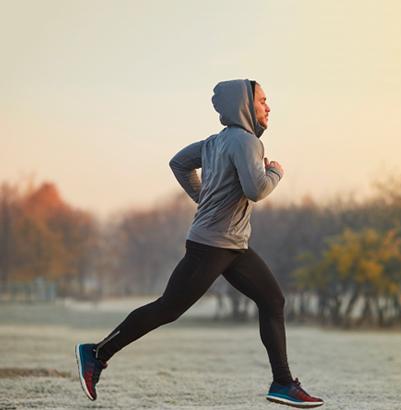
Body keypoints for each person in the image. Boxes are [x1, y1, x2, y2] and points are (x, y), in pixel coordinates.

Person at [75, 79, 324, 408]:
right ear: (245, 105)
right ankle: (96, 354)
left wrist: (202, 197)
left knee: (273, 301)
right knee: (169, 308)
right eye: (263, 100)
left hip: (233, 246)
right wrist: (275, 172)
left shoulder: (216, 142)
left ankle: (282, 383)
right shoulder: (247, 143)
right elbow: (256, 190)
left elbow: (178, 162)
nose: (268, 107)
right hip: (212, 246)